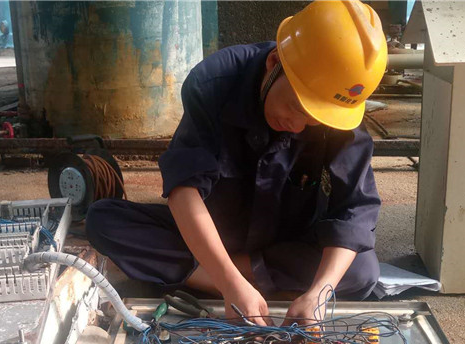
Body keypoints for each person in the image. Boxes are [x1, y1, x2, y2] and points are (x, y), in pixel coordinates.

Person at [87, 0, 387, 325]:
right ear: (274, 63)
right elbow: (184, 191)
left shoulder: (337, 110)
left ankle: (206, 277)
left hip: (287, 246)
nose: (299, 126)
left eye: (314, 118)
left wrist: (318, 294)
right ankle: (233, 282)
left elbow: (354, 212)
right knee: (103, 220)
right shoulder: (214, 82)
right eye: (296, 108)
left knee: (361, 271)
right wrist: (229, 282)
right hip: (215, 233)